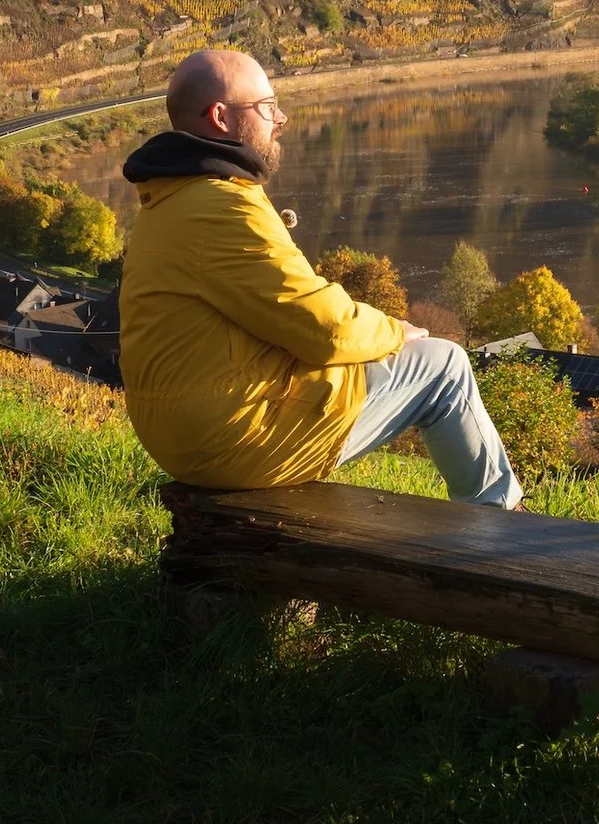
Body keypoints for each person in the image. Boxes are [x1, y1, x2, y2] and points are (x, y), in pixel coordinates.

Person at [118, 48, 521, 507]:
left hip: (184, 431)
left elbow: (280, 313)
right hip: (232, 440)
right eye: (267, 106)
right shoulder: (224, 207)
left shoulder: (169, 197)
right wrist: (395, 332)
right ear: (221, 117)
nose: (280, 118)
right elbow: (325, 329)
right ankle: (500, 522)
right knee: (444, 366)